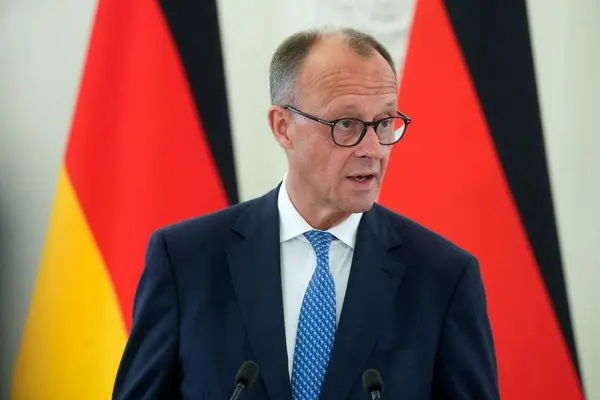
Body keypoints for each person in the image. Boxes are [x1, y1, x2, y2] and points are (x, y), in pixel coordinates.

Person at [112, 28, 500, 399]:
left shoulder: (443, 276)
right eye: (346, 124)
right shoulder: (186, 260)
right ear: (283, 127)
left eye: (384, 123)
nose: (373, 149)